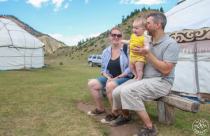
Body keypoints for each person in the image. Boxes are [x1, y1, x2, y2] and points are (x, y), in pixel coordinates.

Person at [111, 12, 180, 136]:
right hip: (145, 78)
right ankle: (125, 116)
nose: (145, 25)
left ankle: (150, 128)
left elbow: (166, 70)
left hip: (162, 81)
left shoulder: (170, 44)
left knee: (128, 91)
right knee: (116, 91)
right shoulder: (148, 40)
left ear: (158, 25)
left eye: (148, 23)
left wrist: (147, 54)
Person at [87, 27, 132, 123]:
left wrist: (117, 77)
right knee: (92, 83)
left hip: (125, 77)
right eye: (113, 35)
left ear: (122, 37)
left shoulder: (126, 48)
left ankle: (115, 113)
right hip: (110, 77)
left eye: (119, 35)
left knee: (110, 85)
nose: (116, 37)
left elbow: (130, 68)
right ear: (109, 37)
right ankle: (100, 109)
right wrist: (108, 77)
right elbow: (103, 69)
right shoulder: (106, 51)